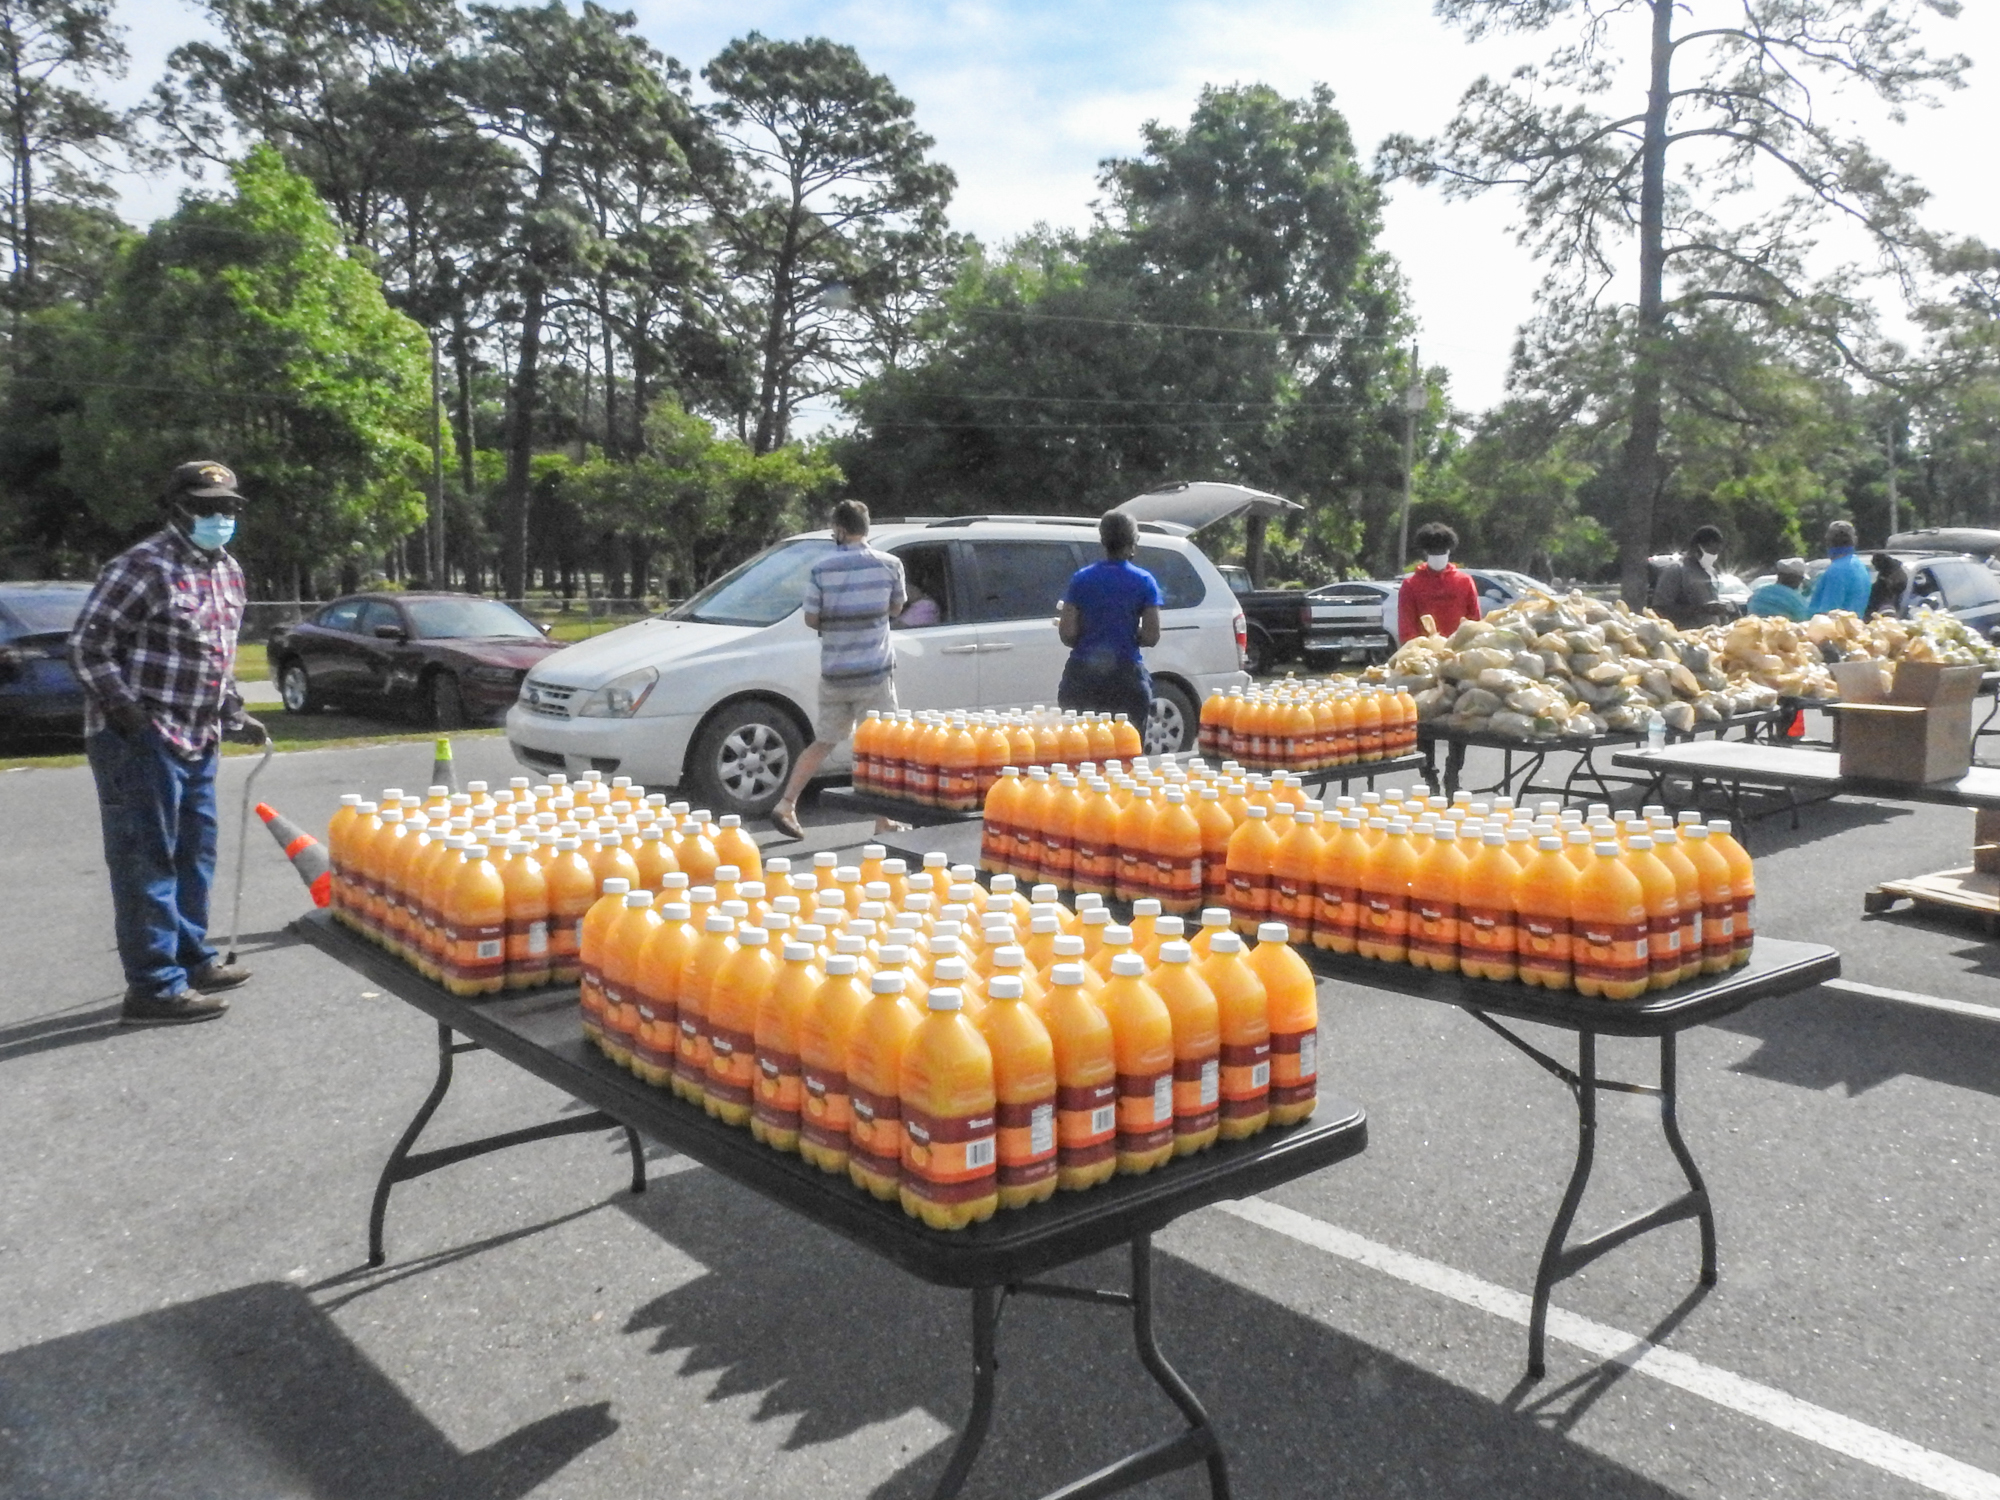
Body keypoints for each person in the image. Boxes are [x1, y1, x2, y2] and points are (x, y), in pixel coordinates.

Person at [68, 461, 269, 1026]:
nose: (219, 517)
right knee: (146, 862)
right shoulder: (141, 567)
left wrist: (234, 712)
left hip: (199, 734)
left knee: (193, 855)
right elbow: (88, 647)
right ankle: (153, 988)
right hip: (140, 736)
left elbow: (215, 657)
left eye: (227, 507)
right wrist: (129, 716)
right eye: (206, 507)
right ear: (177, 509)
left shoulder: (227, 571)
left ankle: (191, 959)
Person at [769, 499, 905, 840]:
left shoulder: (821, 569)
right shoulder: (890, 565)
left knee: (824, 741)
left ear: (839, 529)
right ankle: (883, 819)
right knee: (881, 748)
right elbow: (896, 607)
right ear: (866, 527)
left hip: (835, 672)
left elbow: (811, 617)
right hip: (875, 672)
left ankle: (786, 804)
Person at [1057, 511, 1162, 731]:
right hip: (1126, 680)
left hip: (1081, 679)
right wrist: (1134, 634)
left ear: (1103, 541)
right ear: (1133, 543)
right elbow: (1152, 636)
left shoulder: (1081, 579)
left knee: (1080, 754)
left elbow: (1067, 634)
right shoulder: (1144, 581)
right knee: (1125, 755)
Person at [1396, 521, 1481, 642]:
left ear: (1448, 551)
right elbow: (1406, 626)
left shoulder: (1465, 581)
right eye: (1433, 551)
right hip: (1425, 653)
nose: (1438, 555)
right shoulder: (1410, 585)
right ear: (1426, 553)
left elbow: (1475, 621)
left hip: (1459, 651)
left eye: (1442, 551)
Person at [1648, 524, 1732, 631]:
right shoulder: (1676, 570)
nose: (1715, 556)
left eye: (1717, 552)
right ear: (1698, 547)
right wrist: (1700, 610)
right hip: (1685, 638)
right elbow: (1660, 609)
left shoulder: (1711, 571)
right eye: (1712, 551)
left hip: (1711, 638)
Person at [1808, 520, 1871, 616]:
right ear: (1855, 541)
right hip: (1854, 626)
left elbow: (1830, 613)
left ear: (1828, 542)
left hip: (1835, 629)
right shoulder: (1861, 567)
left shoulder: (1836, 570)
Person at [1746, 558, 1812, 621]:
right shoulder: (1796, 600)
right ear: (1798, 579)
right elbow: (1805, 620)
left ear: (1779, 575)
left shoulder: (1758, 593)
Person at [1866, 552, 1910, 619]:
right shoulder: (1885, 570)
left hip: (1890, 602)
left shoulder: (1893, 570)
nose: (1875, 568)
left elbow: (1895, 585)